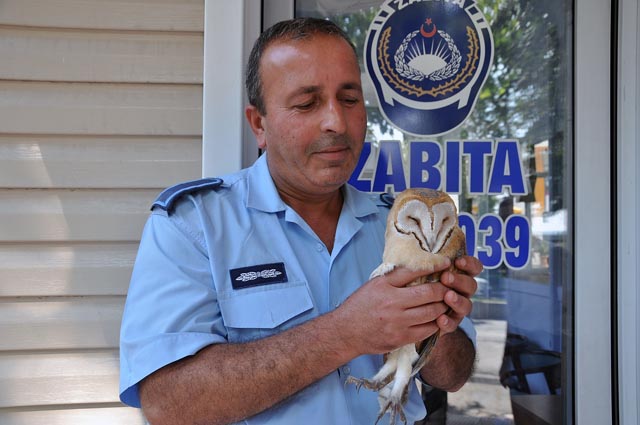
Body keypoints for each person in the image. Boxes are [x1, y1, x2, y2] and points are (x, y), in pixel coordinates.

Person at [119, 17, 482, 425]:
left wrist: (439, 321)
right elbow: (168, 403)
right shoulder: (194, 226)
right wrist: (346, 332)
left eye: (349, 99)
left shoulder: (401, 224)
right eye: (307, 104)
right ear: (259, 124)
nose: (336, 122)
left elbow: (452, 376)